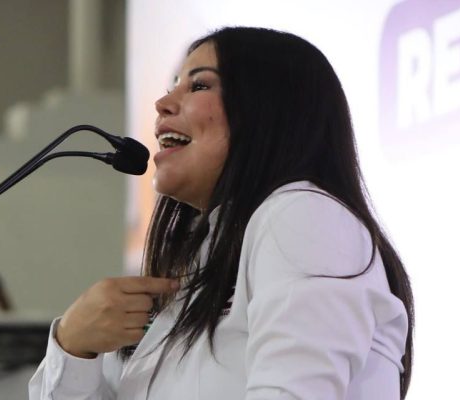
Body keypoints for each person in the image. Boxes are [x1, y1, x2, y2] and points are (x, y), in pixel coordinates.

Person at [29, 27, 414, 399]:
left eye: (198, 85)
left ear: (268, 109)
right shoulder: (196, 262)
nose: (162, 104)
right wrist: (73, 347)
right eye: (172, 86)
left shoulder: (302, 214)